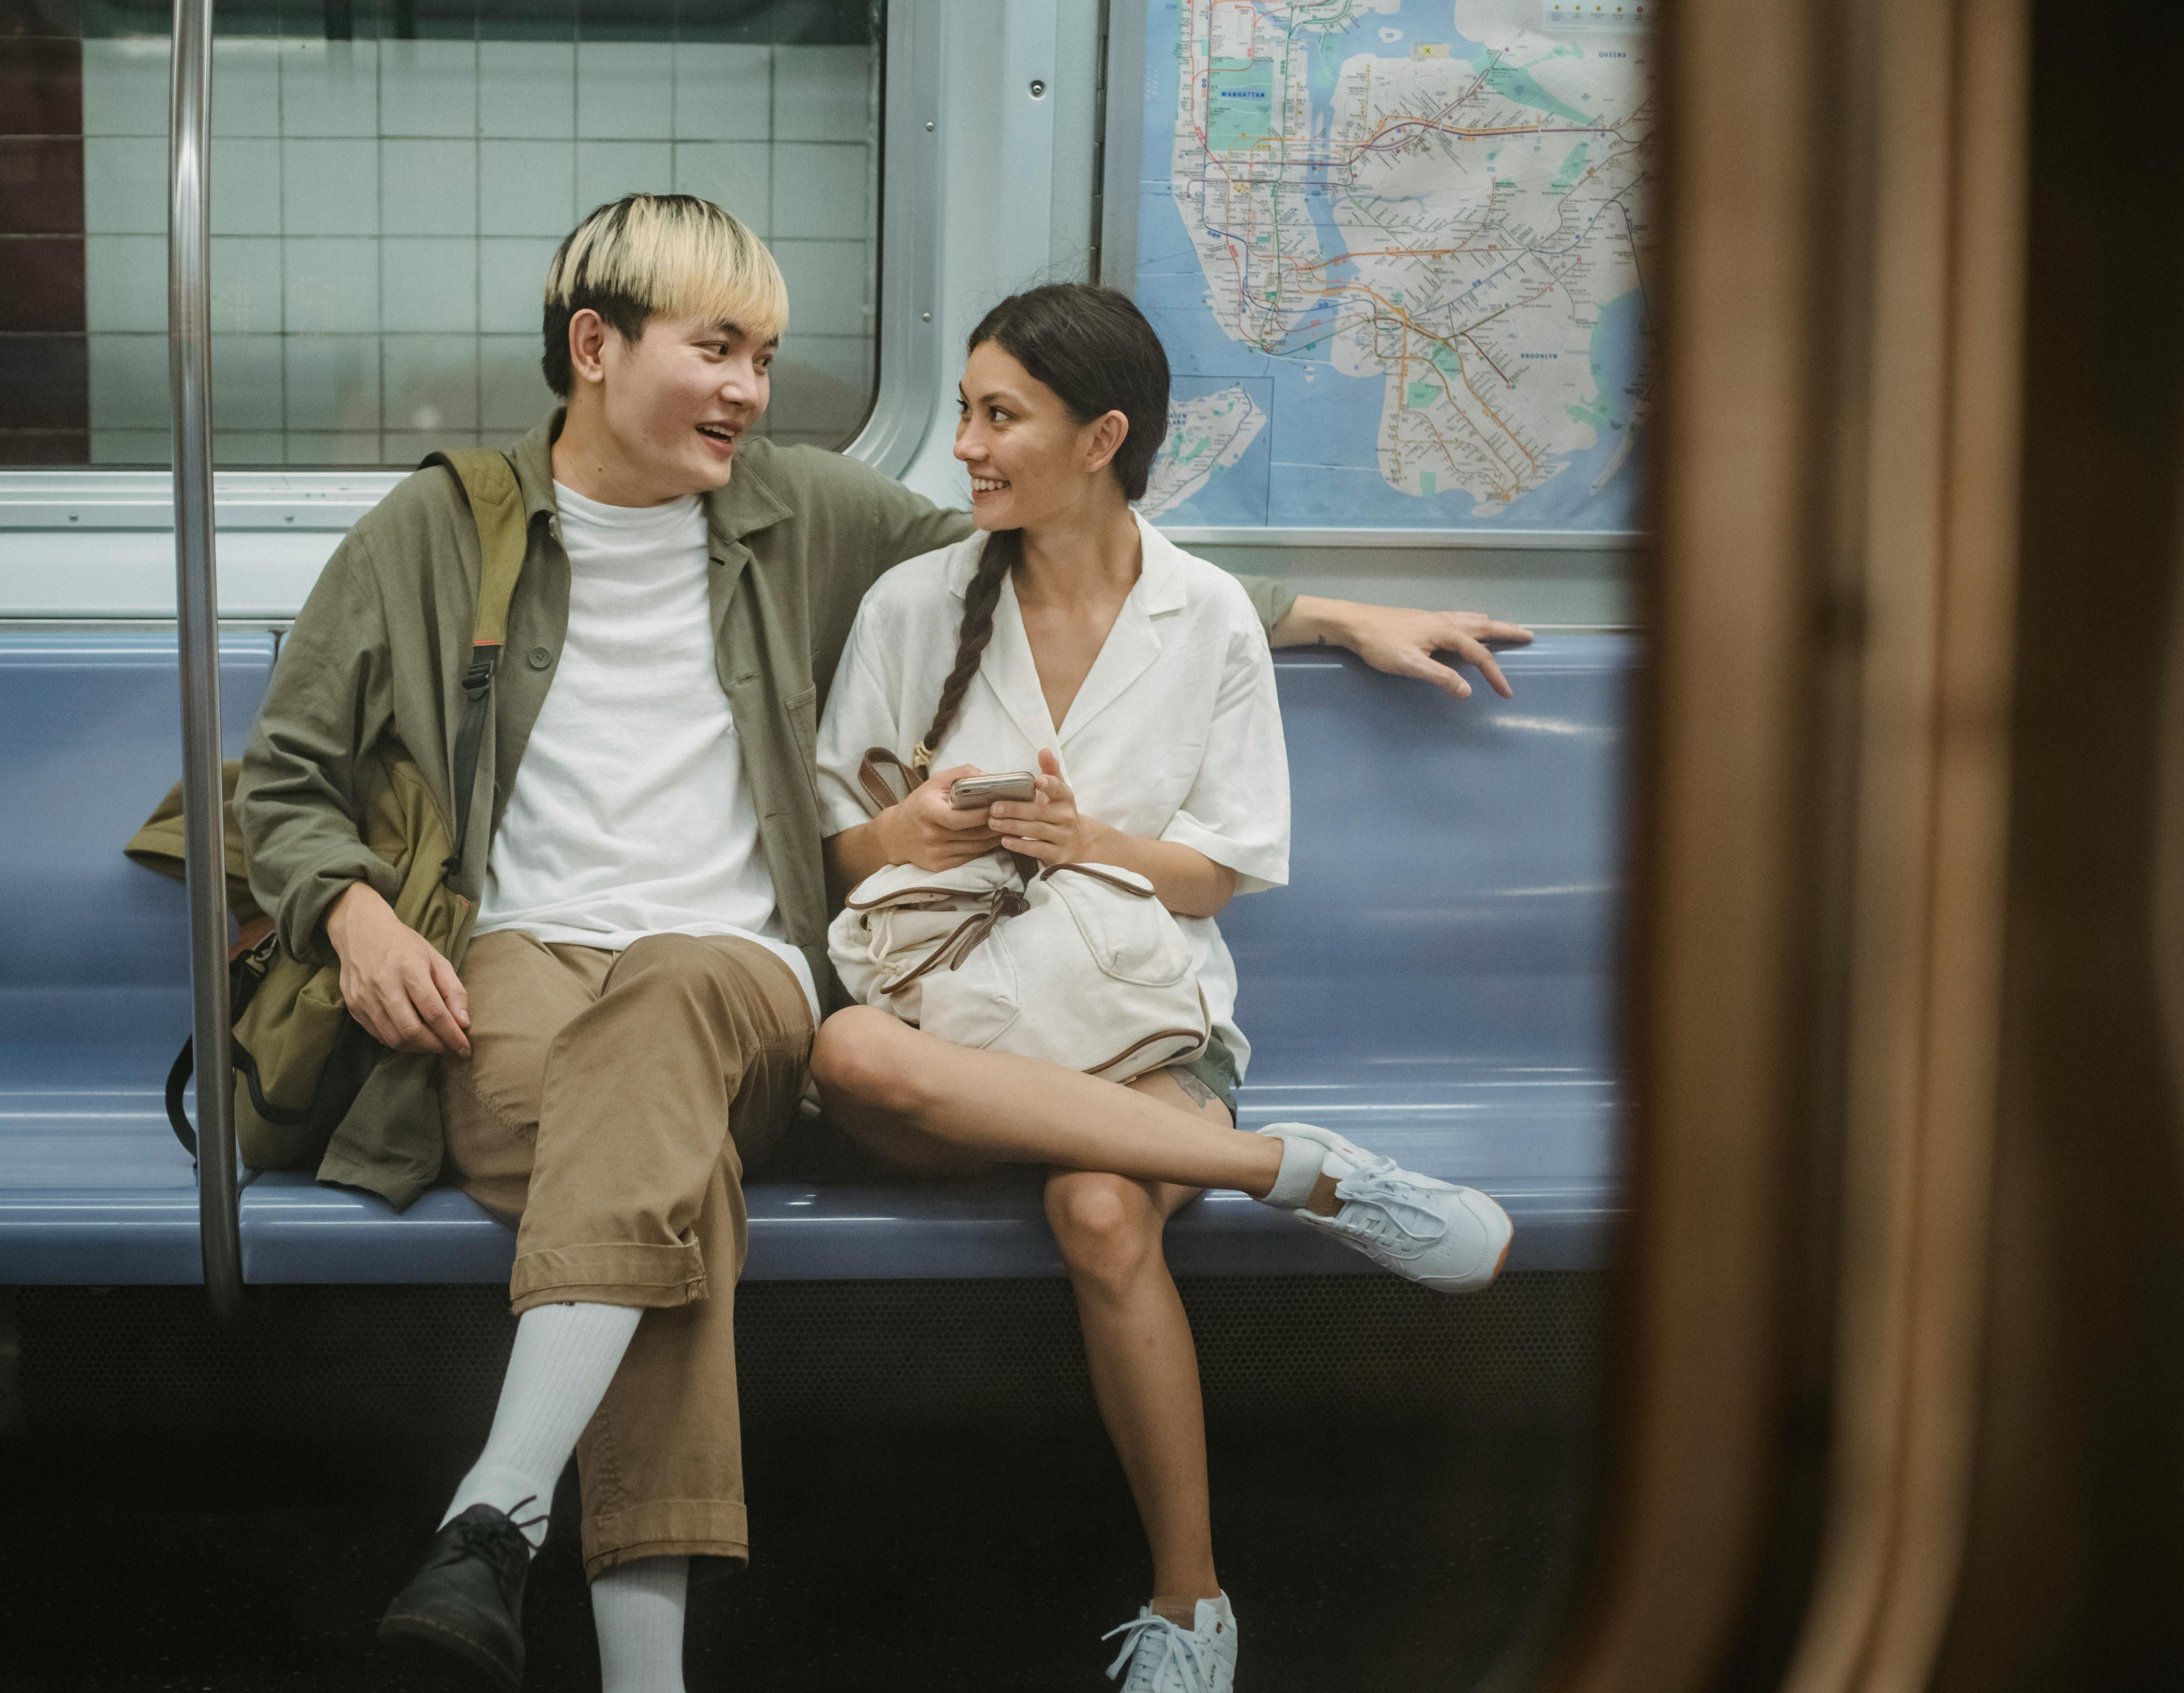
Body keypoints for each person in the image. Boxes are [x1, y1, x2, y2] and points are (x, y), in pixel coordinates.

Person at [237, 195, 1531, 1693]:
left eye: (767, 357)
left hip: (740, 971)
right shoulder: (435, 532)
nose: (751, 391)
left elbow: (1076, 544)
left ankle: (492, 1513)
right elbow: (288, 773)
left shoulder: (803, 508)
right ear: (594, 349)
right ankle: (586, 1626)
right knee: (654, 1194)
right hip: (519, 964)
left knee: (664, 1013)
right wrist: (357, 908)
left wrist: (1333, 611)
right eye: (717, 349)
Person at [808, 284, 1516, 1693]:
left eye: (998, 415)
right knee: (846, 1057)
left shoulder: (1205, 622)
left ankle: (1194, 1611)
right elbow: (847, 851)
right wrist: (927, 833)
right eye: (960, 409)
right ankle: (1285, 1173)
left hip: (1136, 1026)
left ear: (1100, 438)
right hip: (956, 1032)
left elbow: (1217, 874)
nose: (964, 445)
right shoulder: (915, 602)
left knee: (1096, 1205)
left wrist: (1090, 845)